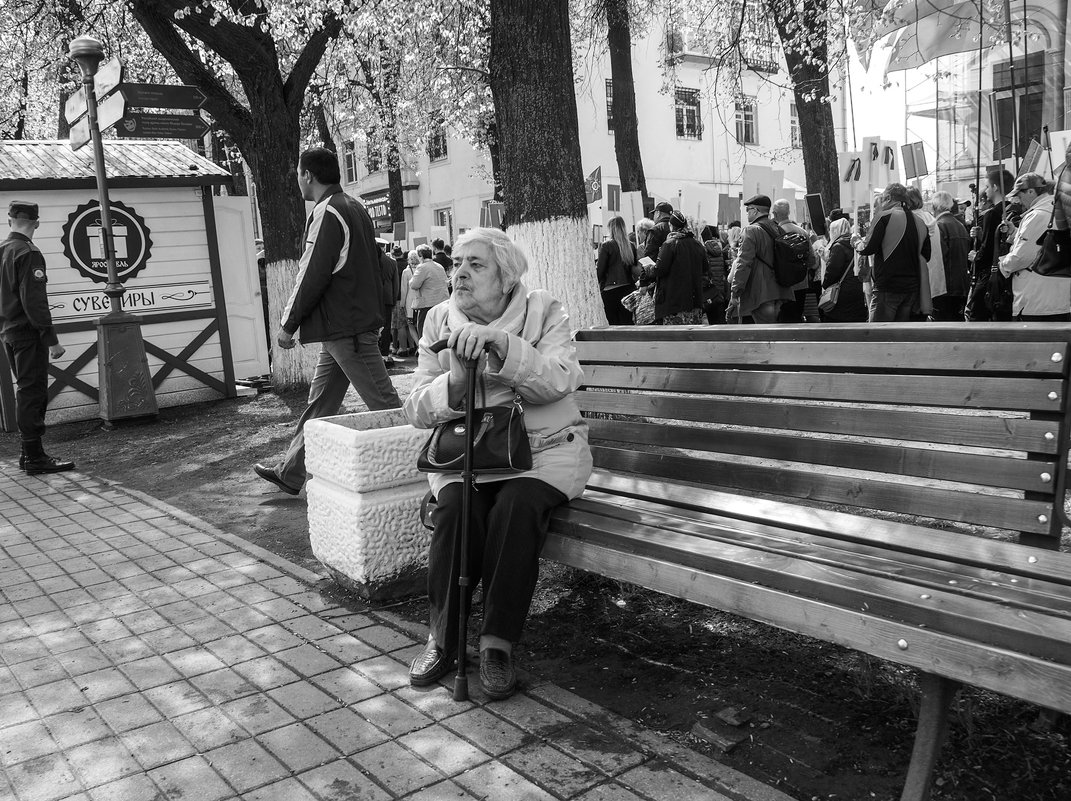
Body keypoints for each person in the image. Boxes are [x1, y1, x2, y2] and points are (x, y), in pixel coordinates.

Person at [404, 227, 592, 700]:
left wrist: (504, 349)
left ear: (506, 278)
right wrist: (457, 382)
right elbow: (415, 409)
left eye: (476, 264)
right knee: (455, 509)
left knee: (516, 505)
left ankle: (496, 644)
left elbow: (559, 380)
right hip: (468, 456)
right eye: (458, 264)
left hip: (544, 453)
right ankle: (443, 639)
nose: (460, 274)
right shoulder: (438, 320)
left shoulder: (543, 310)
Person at [253, 147, 401, 495]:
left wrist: (289, 324)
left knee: (385, 404)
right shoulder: (354, 207)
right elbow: (378, 266)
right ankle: (291, 473)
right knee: (320, 406)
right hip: (346, 327)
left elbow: (312, 273)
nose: (298, 181)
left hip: (346, 328)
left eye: (299, 175)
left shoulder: (328, 212)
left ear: (308, 175)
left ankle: (430, 467)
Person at [0, 201, 74, 474]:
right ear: (37, 223)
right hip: (27, 333)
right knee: (33, 392)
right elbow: (34, 301)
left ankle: (26, 454)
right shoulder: (28, 253)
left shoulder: (3, 250)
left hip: (8, 331)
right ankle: (34, 457)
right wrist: (51, 339)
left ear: (9, 220)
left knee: (25, 390)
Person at [853, 183, 931, 322]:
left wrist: (856, 241)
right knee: (900, 336)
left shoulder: (884, 217)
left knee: (878, 336)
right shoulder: (920, 222)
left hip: (888, 287)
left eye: (882, 198)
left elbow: (867, 248)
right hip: (911, 289)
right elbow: (926, 255)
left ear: (888, 198)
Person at [998, 173, 1071, 321]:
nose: (1017, 200)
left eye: (1019, 194)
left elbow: (1021, 258)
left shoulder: (1037, 216)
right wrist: (1015, 233)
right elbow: (1043, 242)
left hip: (1036, 299)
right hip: (1059, 297)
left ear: (1031, 191)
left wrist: (1002, 264)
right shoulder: (1058, 211)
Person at [726, 195, 794, 323]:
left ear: (755, 210)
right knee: (775, 334)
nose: (747, 213)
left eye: (748, 210)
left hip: (761, 292)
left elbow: (743, 263)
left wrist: (735, 291)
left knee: (766, 336)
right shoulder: (778, 228)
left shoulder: (750, 230)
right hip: (781, 289)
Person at [966, 168, 1014, 321]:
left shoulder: (992, 213)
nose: (985, 191)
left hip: (990, 274)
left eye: (987, 186)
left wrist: (975, 257)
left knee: (976, 314)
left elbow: (988, 249)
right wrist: (981, 236)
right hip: (1009, 274)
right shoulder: (1012, 208)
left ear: (995, 187)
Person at [646, 211, 706, 324]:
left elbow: (660, 270)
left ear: (671, 226)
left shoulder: (669, 244)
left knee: (674, 338)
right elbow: (705, 269)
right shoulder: (697, 245)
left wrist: (648, 268)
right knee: (692, 337)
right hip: (694, 301)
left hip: (674, 302)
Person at [770, 199, 817, 323]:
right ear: (789, 212)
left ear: (774, 213)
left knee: (782, 321)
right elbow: (812, 260)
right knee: (796, 318)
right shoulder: (802, 232)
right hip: (801, 283)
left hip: (781, 285)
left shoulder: (773, 233)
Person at [931, 191, 970, 322]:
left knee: (943, 327)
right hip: (962, 284)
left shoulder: (939, 226)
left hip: (945, 287)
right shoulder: (961, 226)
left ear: (934, 207)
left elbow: (938, 258)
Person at [819, 218, 867, 323]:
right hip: (858, 288)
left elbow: (832, 271)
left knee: (837, 322)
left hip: (842, 294)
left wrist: (825, 285)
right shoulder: (857, 243)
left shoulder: (838, 246)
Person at [596, 216, 638, 325]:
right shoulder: (631, 246)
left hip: (611, 290)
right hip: (628, 289)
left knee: (613, 324)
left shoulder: (607, 246)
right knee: (627, 323)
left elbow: (600, 271)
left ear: (611, 229)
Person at [410, 244, 450, 336]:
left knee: (424, 332)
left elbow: (414, 285)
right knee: (439, 332)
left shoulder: (422, 267)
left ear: (421, 256)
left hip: (427, 305)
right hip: (442, 303)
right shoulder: (439, 266)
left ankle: (424, 350)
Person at [699, 225, 728, 324]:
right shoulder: (718, 250)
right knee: (719, 322)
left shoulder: (703, 250)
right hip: (719, 291)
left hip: (708, 291)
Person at [378, 244, 399, 368]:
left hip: (373, 298)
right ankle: (384, 353)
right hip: (387, 298)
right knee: (386, 327)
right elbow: (395, 283)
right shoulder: (392, 262)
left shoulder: (371, 260)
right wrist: (394, 299)